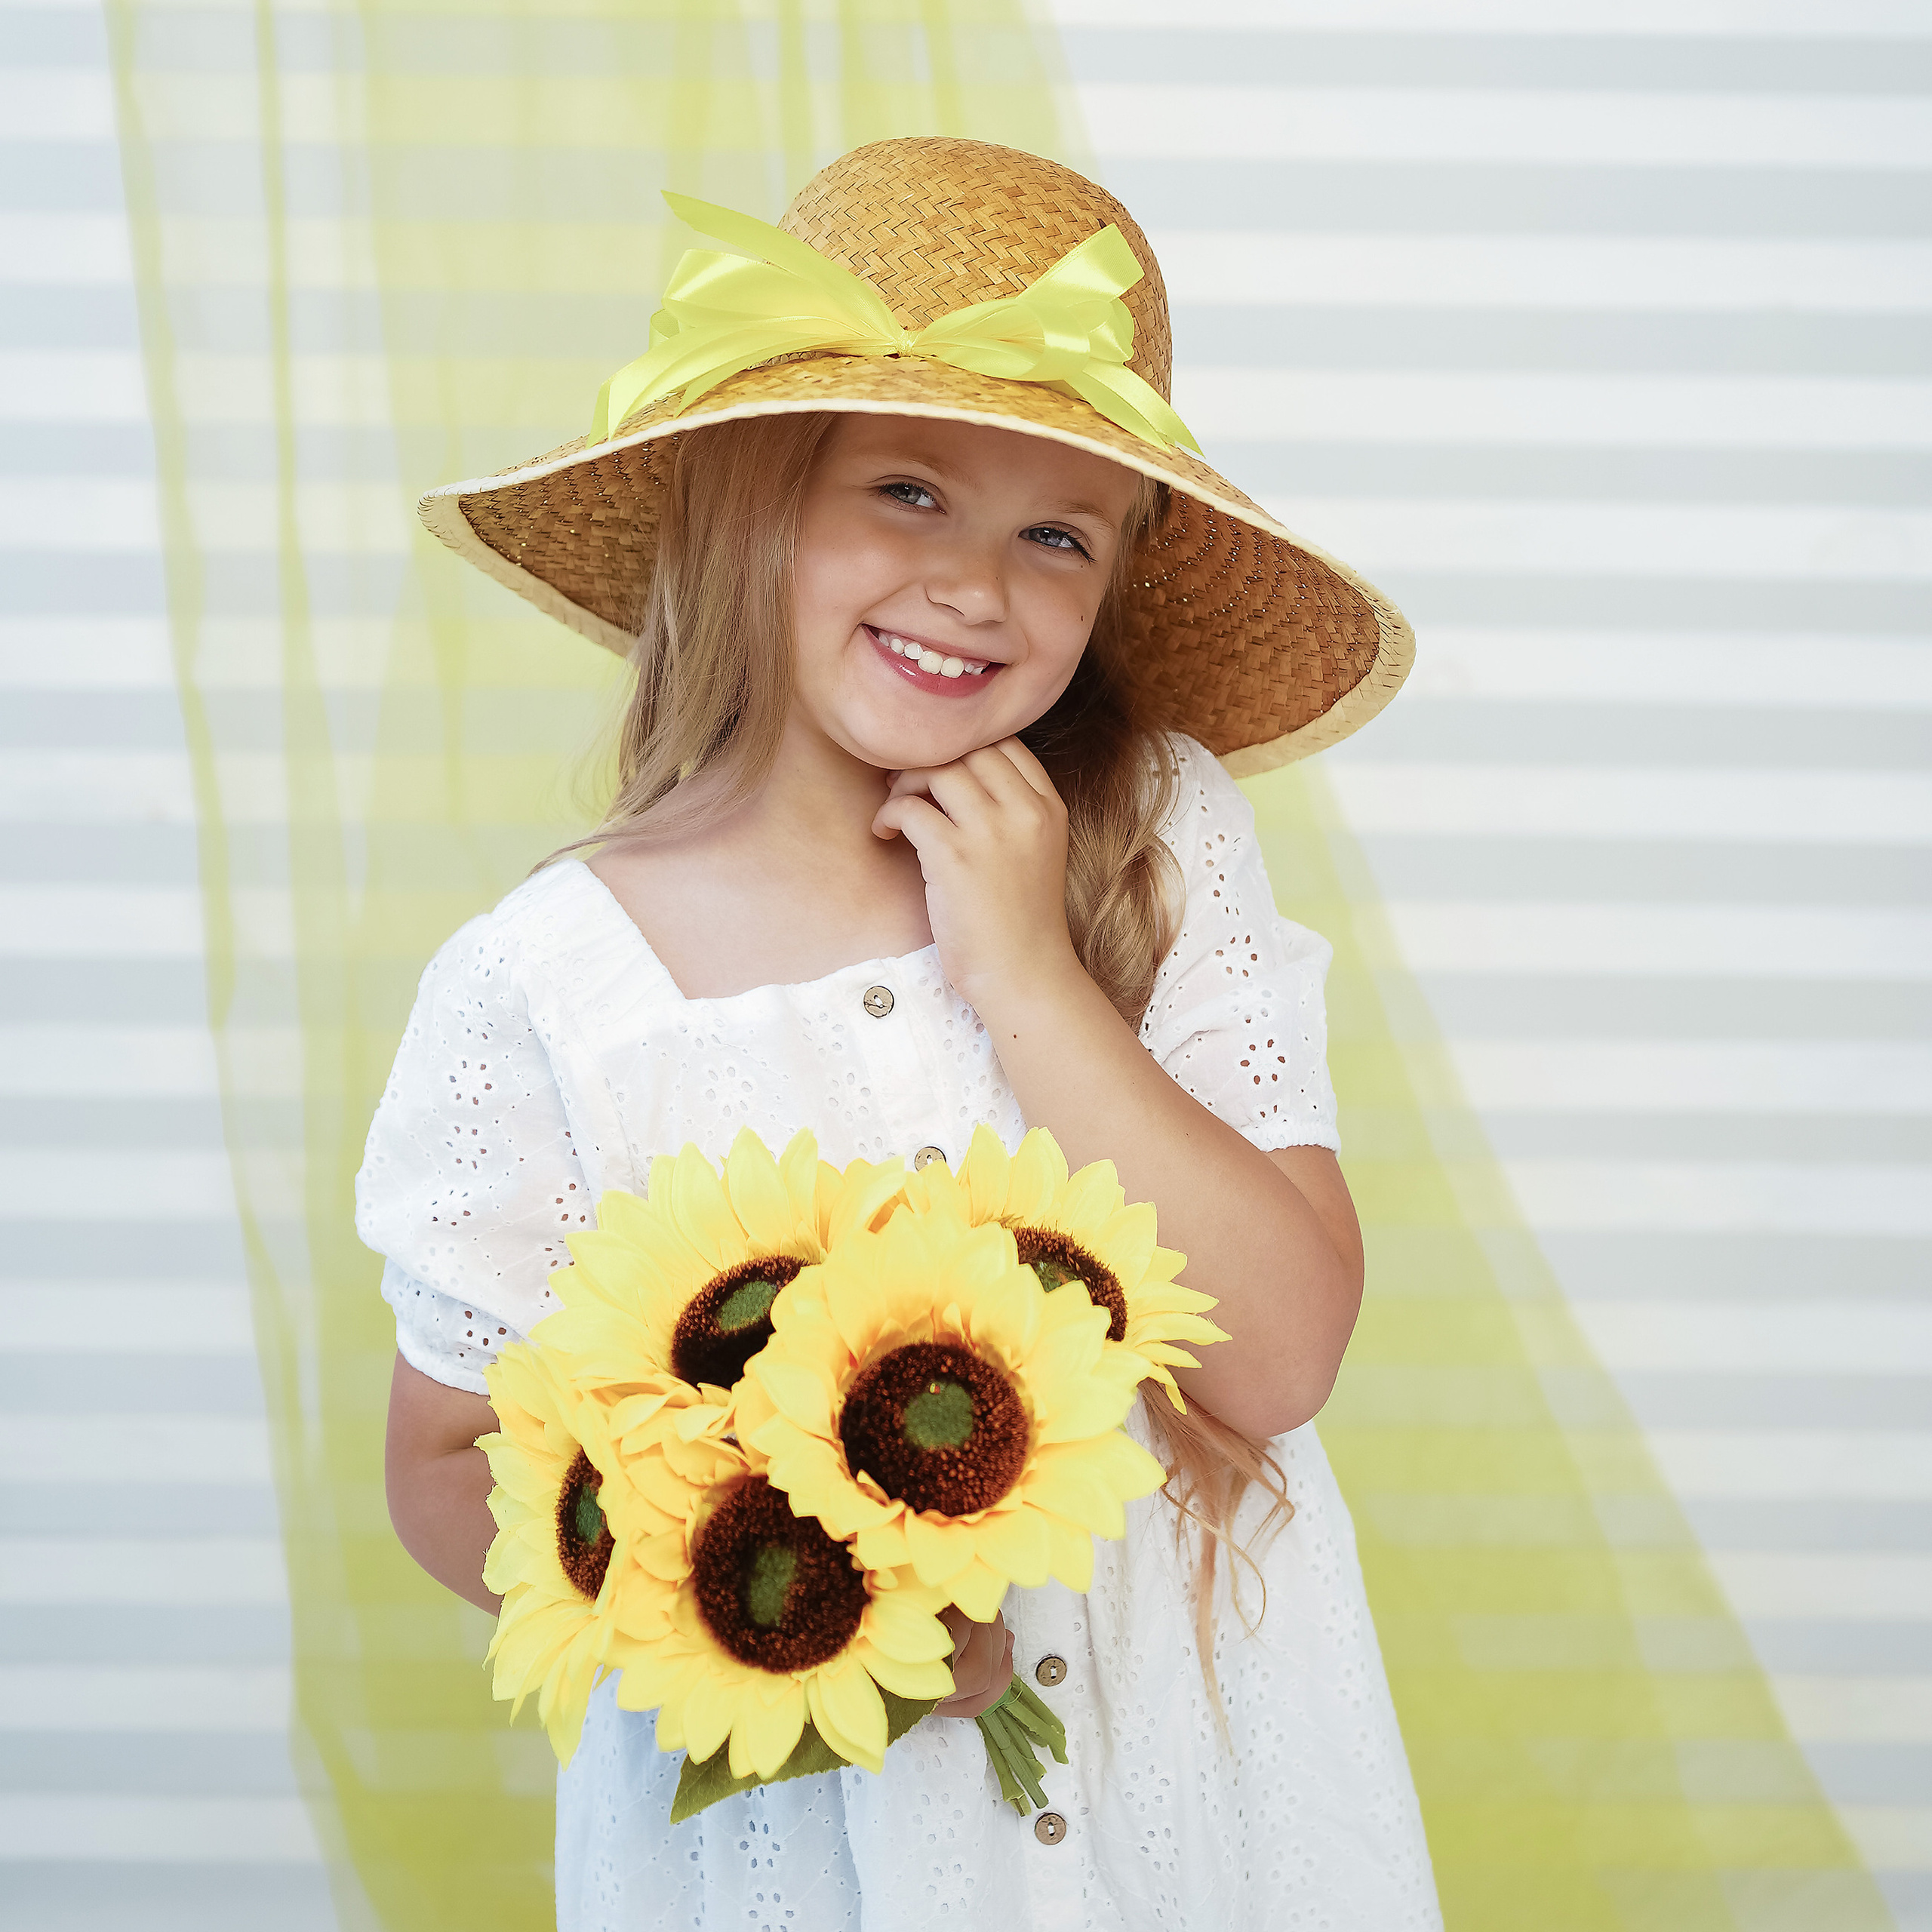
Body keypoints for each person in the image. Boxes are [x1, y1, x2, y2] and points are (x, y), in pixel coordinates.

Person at [358, 136, 1440, 1930]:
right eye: (907, 490)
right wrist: (784, 1615)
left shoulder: (1153, 839)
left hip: (1201, 1824)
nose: (977, 585)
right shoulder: (550, 979)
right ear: (751, 497)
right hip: (806, 1864)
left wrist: (1027, 974)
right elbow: (442, 1463)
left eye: (1056, 533)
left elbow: (1276, 1358)